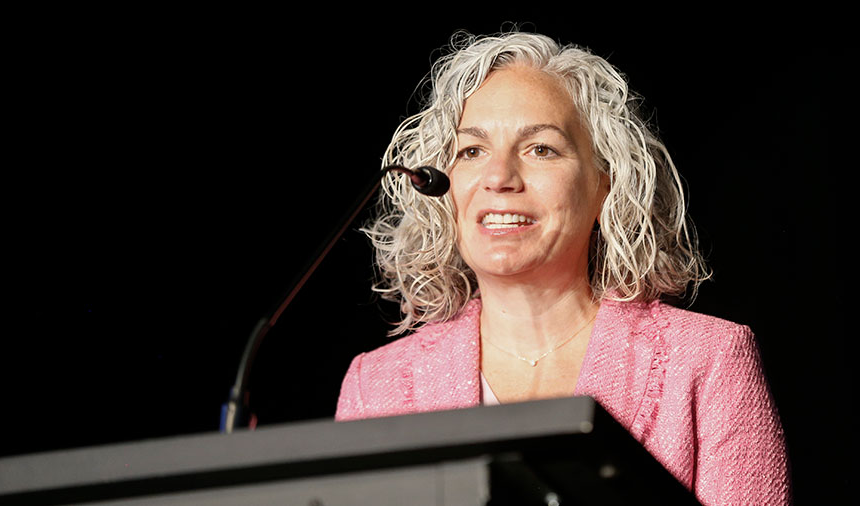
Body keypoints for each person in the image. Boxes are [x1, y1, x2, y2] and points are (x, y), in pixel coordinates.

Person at [335, 31, 791, 505]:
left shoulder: (708, 361)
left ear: (603, 186)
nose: (498, 178)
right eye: (471, 151)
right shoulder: (376, 386)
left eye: (541, 149)